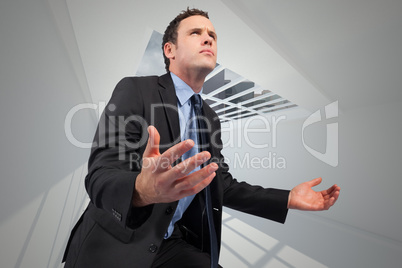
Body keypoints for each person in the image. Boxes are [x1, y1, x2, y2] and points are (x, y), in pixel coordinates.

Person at [62, 8, 340, 268]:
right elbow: (100, 173)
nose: (207, 38)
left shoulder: (210, 117)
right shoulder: (135, 89)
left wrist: (287, 198)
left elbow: (220, 183)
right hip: (115, 243)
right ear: (169, 49)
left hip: (170, 244)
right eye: (195, 33)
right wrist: (141, 190)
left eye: (212, 36)